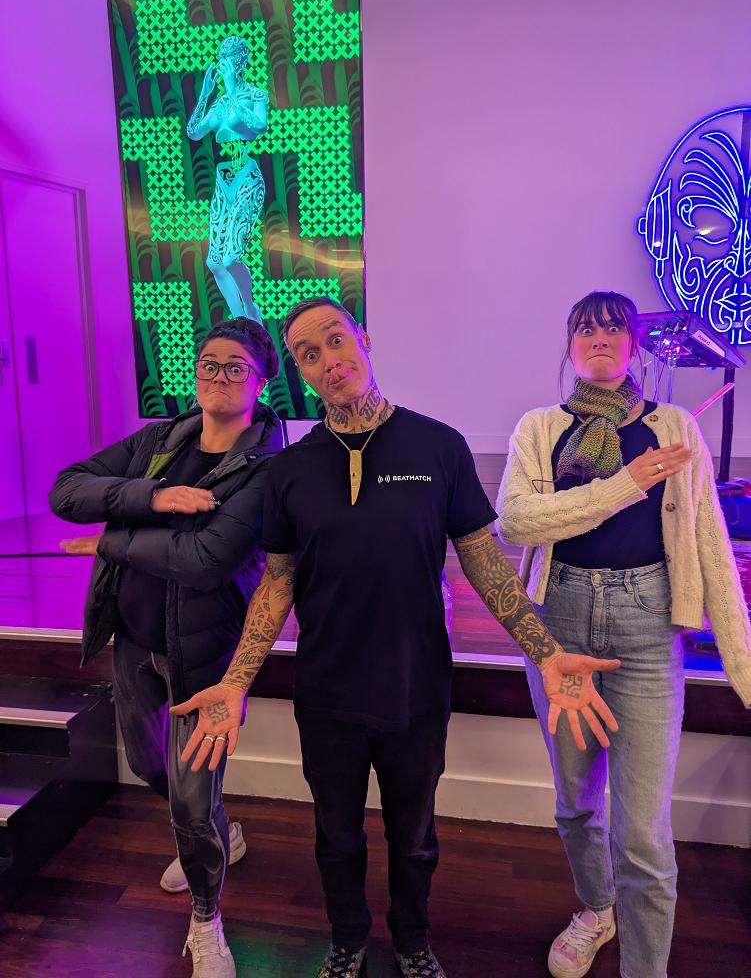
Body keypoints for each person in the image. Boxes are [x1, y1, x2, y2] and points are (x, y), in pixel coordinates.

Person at [170, 297, 621, 978]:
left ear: (364, 340)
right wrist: (235, 683)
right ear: (299, 372)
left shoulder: (437, 447)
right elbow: (277, 582)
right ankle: (347, 941)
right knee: (336, 838)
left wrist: (545, 650)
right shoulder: (289, 470)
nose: (328, 361)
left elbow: (484, 564)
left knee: (414, 839)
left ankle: (412, 942)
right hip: (327, 694)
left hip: (415, 688)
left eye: (335, 341)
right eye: (308, 354)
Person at [496, 291, 751, 978]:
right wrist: (625, 484)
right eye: (586, 328)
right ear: (569, 345)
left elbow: (710, 543)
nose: (600, 338)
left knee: (643, 836)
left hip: (646, 628)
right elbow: (516, 521)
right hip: (559, 628)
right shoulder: (539, 428)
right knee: (576, 806)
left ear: (634, 346)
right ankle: (596, 909)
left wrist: (744, 667)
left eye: (614, 328)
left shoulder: (674, 427)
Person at [49, 317, 283, 978]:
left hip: (205, 656)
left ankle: (207, 922)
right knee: (149, 765)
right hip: (134, 642)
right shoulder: (160, 439)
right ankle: (222, 832)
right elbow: (67, 489)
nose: (218, 376)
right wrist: (152, 495)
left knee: (190, 799)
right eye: (209, 363)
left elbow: (207, 559)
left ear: (261, 381)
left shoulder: (267, 466)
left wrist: (109, 539)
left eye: (235, 366)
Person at [187, 35, 268, 322]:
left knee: (232, 257)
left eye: (230, 58)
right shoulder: (219, 104)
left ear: (242, 61)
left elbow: (259, 126)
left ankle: (251, 309)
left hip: (247, 179)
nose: (225, 64)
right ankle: (240, 319)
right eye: (223, 58)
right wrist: (205, 93)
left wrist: (233, 91)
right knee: (215, 262)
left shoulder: (255, 95)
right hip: (223, 184)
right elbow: (194, 132)